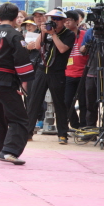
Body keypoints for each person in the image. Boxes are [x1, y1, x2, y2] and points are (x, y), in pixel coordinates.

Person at [0, 2, 35, 165]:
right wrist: (23, 85)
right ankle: (10, 151)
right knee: (19, 118)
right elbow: (22, 62)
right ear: (16, 18)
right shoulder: (16, 36)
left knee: (0, 115)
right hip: (6, 80)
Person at [26, 9, 75, 144]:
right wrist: (43, 32)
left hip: (57, 72)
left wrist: (53, 34)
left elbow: (62, 49)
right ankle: (28, 132)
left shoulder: (69, 34)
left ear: (64, 21)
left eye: (57, 19)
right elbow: (36, 46)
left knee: (60, 103)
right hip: (42, 70)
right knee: (34, 101)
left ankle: (62, 134)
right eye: (51, 19)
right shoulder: (45, 31)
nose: (53, 22)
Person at [63, 10, 88, 130]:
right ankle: (74, 124)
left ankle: (83, 125)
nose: (67, 23)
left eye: (69, 20)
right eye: (65, 20)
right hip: (68, 73)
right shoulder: (62, 35)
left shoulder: (85, 34)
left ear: (77, 21)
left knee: (84, 102)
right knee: (67, 101)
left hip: (83, 74)